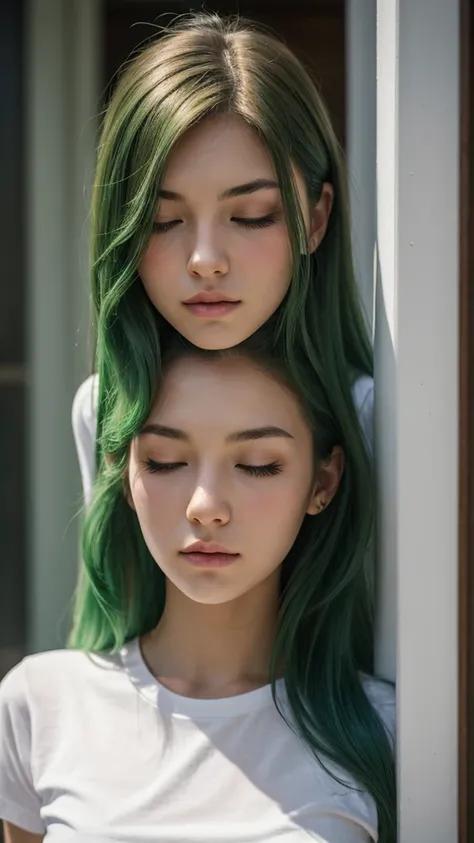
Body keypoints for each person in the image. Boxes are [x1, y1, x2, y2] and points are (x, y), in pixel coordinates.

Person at [0, 340, 395, 843]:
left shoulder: (387, 732)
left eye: (256, 464)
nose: (206, 506)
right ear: (124, 472)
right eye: (165, 461)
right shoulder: (41, 705)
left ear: (324, 479)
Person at [71, 12, 374, 507]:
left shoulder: (378, 423)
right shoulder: (104, 411)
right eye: (163, 221)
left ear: (317, 219)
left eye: (253, 215)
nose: (205, 260)